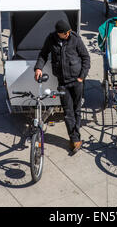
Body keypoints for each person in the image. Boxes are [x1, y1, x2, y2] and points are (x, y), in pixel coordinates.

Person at [34, 19, 90, 153]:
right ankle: (74, 138)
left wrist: (81, 77)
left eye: (69, 32)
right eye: (66, 33)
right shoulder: (51, 39)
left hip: (77, 81)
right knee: (67, 112)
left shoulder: (75, 39)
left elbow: (86, 58)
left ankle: (76, 137)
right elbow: (43, 54)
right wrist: (38, 68)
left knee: (77, 110)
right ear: (59, 33)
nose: (68, 35)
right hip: (63, 83)